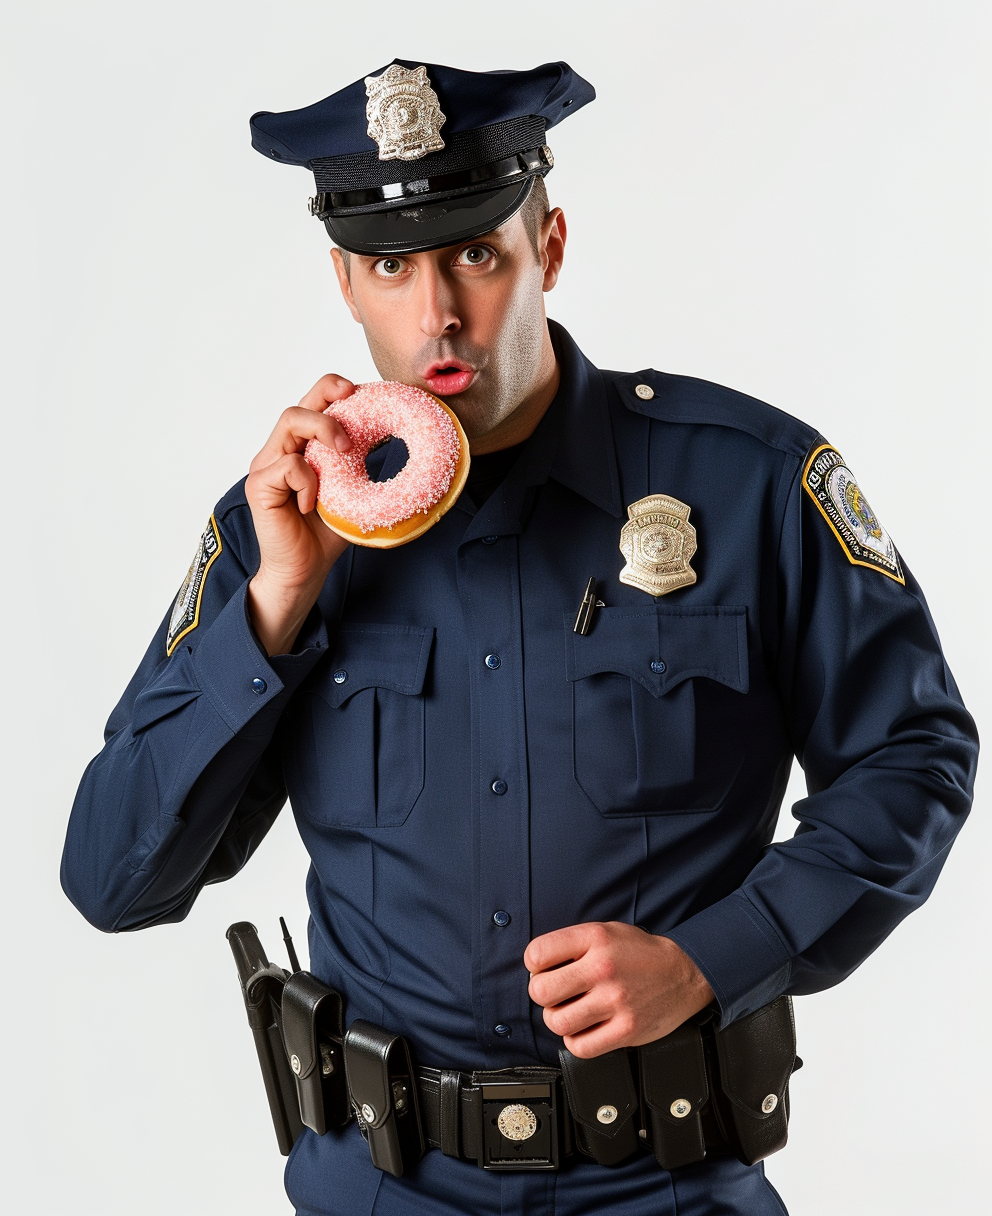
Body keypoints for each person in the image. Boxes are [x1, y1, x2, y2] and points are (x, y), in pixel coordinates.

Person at [61, 59, 978, 1216]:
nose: (436, 314)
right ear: (344, 279)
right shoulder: (278, 528)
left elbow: (912, 754)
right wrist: (271, 610)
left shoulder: (750, 482)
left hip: (667, 1181)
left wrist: (719, 953)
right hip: (380, 1186)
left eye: (476, 256)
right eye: (392, 265)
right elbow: (110, 879)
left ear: (548, 245)